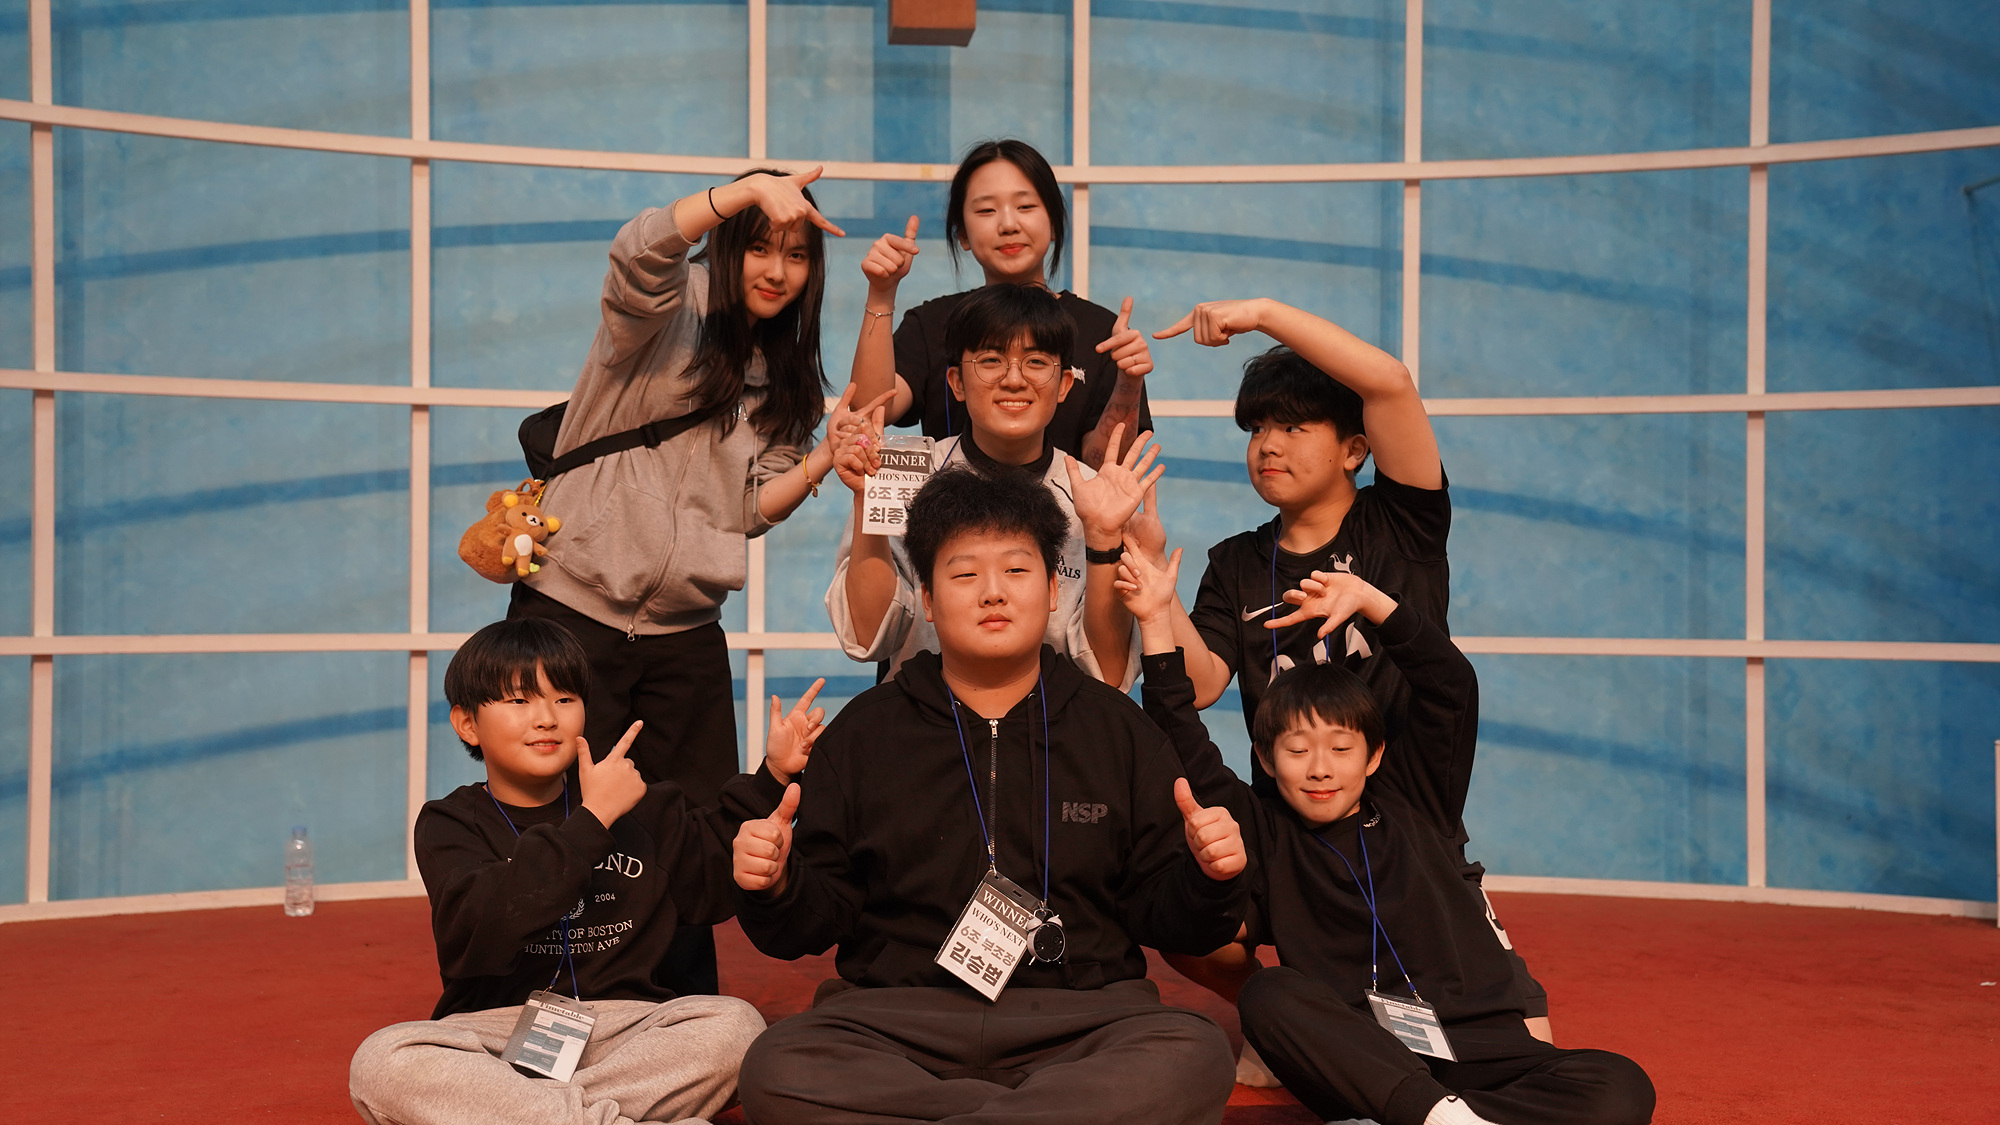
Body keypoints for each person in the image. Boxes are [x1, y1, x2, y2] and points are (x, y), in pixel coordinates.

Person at [730, 468, 1250, 1125]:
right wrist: (774, 883)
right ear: (926, 598)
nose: (993, 592)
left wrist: (1209, 877)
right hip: (896, 1020)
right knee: (779, 1067)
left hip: (1083, 1020)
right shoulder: (864, 732)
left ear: (1054, 588)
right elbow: (809, 923)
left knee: (1192, 1053)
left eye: (1016, 569)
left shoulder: (1117, 730)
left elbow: (1170, 919)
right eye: (966, 574)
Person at [1117, 550, 1657, 1125]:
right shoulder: (1261, 827)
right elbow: (1177, 731)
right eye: (1297, 750)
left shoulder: (1417, 799)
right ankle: (1437, 1116)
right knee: (1268, 995)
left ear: (1374, 755)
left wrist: (1373, 603)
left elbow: (1451, 687)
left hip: (1484, 1049)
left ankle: (1434, 1118)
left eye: (1340, 748)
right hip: (1363, 1058)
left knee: (1621, 1083)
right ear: (1266, 760)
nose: (1320, 769)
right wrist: (1154, 621)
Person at [1143, 298, 1552, 1048]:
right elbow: (1199, 684)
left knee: (1529, 1042)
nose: (1268, 445)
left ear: (1354, 449)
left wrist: (1261, 312)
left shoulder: (1400, 525)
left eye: (1295, 427)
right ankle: (1299, 1028)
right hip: (1291, 836)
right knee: (1187, 925)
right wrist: (1150, 576)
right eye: (1257, 429)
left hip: (1410, 825)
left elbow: (1390, 383)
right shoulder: (1236, 562)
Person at [508, 166, 867, 995]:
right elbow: (639, 252)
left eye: (797, 256)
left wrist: (820, 459)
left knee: (693, 824)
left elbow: (745, 509)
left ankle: (674, 999)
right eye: (760, 247)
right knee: (560, 808)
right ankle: (548, 989)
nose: (777, 270)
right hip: (572, 607)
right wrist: (743, 191)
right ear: (729, 243)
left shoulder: (787, 369)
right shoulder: (667, 313)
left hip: (684, 630)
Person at [348, 618, 828, 1125]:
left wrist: (774, 774)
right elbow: (482, 926)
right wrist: (593, 820)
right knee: (383, 1061)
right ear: (468, 724)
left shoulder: (641, 806)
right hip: (496, 1033)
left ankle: (541, 1116)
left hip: (627, 1030)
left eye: (564, 699)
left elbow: (710, 875)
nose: (546, 719)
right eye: (519, 701)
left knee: (737, 1026)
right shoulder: (450, 823)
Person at [826, 282, 1159, 688]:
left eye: (1036, 362)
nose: (1014, 379)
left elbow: (1106, 674)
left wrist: (1104, 537)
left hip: (1055, 723)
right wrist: (866, 501)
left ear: (1065, 385)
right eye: (990, 360)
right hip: (924, 719)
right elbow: (867, 637)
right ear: (956, 382)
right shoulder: (902, 474)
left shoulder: (1093, 495)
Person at [845, 138, 1154, 468]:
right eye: (986, 210)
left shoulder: (1102, 333)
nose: (1008, 225)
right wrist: (881, 293)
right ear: (962, 234)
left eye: (1025, 207)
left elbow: (1105, 467)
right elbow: (871, 410)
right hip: (949, 502)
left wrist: (1129, 383)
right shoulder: (932, 323)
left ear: (1053, 223)